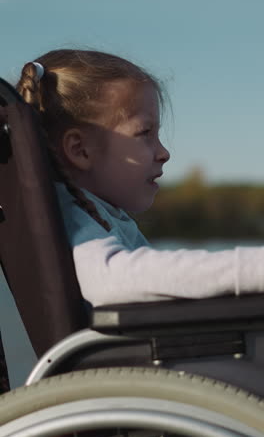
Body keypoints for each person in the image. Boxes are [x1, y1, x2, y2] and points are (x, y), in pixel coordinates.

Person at [16, 49, 264, 307]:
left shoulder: (89, 213)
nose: (164, 153)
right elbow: (111, 278)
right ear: (80, 150)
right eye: (145, 133)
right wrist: (251, 268)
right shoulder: (68, 215)